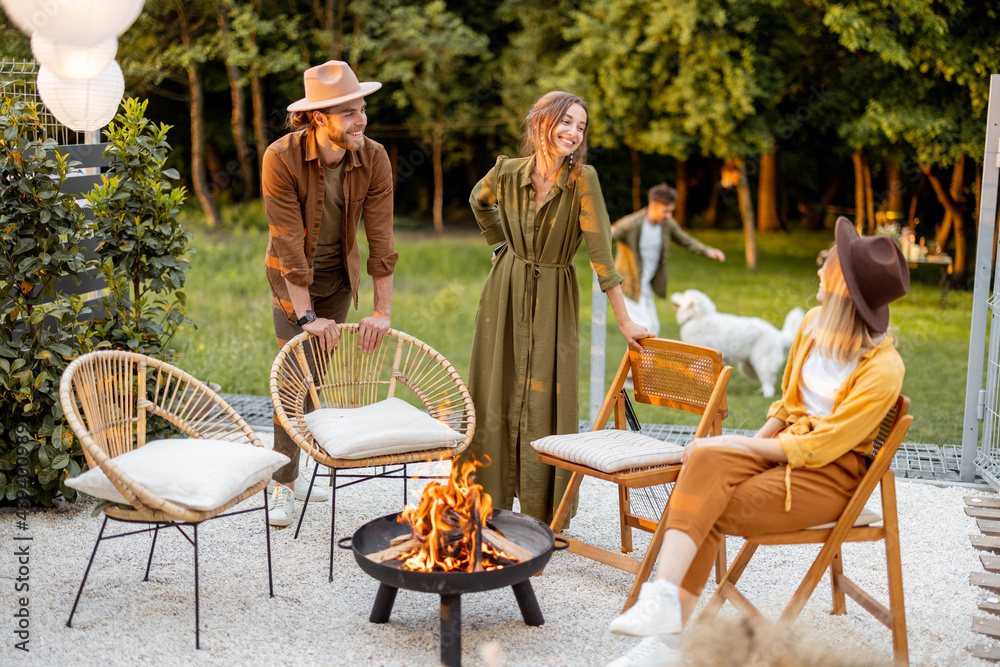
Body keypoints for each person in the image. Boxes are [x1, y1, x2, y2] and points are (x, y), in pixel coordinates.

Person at [605, 217, 909, 667]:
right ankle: (665, 604)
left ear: (845, 285)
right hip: (784, 454)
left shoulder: (884, 370)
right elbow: (786, 407)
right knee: (706, 471)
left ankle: (667, 641)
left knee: (707, 494)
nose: (821, 265)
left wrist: (733, 448)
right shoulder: (810, 324)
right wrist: (739, 447)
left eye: (832, 262)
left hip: (828, 478)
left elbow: (820, 448)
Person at [465, 90, 650, 526]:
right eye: (565, 122)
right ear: (539, 124)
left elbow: (602, 256)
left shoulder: (582, 179)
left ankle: (542, 512)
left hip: (554, 293)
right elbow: (479, 201)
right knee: (494, 389)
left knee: (548, 396)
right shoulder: (506, 172)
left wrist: (625, 320)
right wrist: (498, 243)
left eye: (580, 126)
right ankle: (484, 504)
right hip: (505, 289)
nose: (572, 132)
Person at [261, 60, 397, 527]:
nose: (361, 121)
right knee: (292, 378)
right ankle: (282, 483)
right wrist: (305, 318)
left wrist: (382, 309)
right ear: (318, 117)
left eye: (362, 109)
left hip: (340, 280)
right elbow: (287, 243)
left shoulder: (373, 157)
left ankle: (298, 467)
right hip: (291, 281)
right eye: (350, 114)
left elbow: (381, 240)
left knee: (315, 375)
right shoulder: (280, 158)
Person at [611, 184, 725, 336]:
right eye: (666, 211)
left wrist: (707, 250)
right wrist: (598, 257)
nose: (669, 216)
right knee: (645, 328)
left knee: (653, 328)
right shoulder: (631, 225)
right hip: (628, 284)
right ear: (652, 206)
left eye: (671, 211)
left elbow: (685, 239)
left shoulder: (666, 225)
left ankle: (637, 360)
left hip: (645, 285)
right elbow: (606, 236)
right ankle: (638, 360)